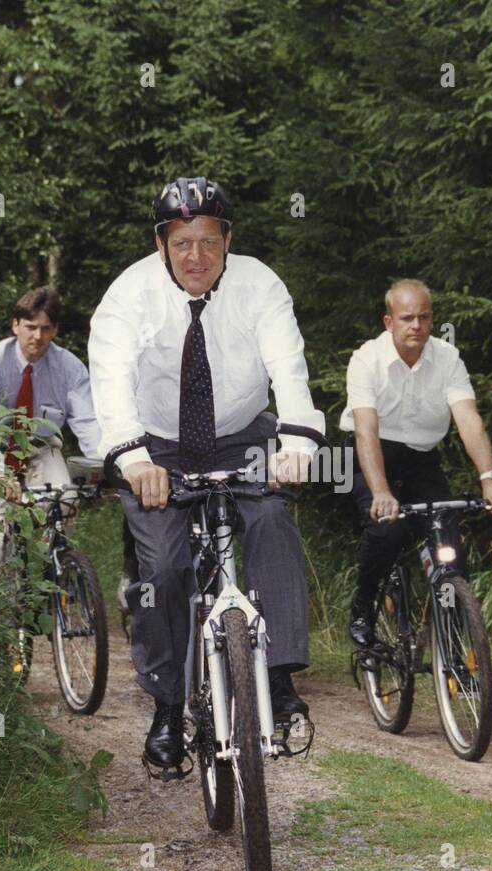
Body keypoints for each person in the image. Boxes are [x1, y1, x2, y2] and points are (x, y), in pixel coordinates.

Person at [88, 175, 324, 770]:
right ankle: (167, 707)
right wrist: (133, 459)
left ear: (228, 240)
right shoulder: (128, 296)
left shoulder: (260, 284)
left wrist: (296, 439)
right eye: (182, 242)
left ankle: (276, 675)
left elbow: (289, 368)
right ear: (161, 242)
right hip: (158, 446)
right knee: (164, 569)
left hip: (241, 434)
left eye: (210, 242)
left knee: (271, 517)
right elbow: (111, 382)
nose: (197, 257)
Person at [342, 278, 492, 648]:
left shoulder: (448, 358)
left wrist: (489, 478)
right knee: (386, 529)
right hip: (368, 455)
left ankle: (454, 646)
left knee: (449, 545)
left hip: (421, 458)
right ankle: (363, 605)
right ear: (389, 322)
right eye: (406, 318)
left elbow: (468, 420)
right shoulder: (366, 360)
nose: (416, 326)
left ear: (432, 320)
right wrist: (380, 492)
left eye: (423, 317)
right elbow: (366, 433)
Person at [0, 286, 101, 587]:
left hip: (40, 449)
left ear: (55, 330)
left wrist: (104, 465)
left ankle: (53, 576)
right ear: (15, 325)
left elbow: (87, 421)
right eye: (29, 327)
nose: (37, 337)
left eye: (45, 328)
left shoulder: (69, 367)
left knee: (66, 498)